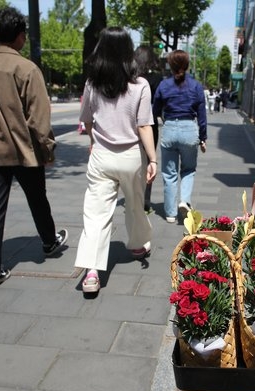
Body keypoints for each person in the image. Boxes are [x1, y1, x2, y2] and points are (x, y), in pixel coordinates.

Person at [0, 7, 68, 289]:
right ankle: (49, 242)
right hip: (23, 150)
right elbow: (39, 118)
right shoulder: (26, 68)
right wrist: (47, 150)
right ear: (18, 35)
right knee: (37, 199)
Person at [75, 27, 157, 293]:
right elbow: (144, 125)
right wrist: (153, 158)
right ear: (128, 52)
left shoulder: (91, 83)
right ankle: (136, 244)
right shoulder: (140, 85)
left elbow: (86, 120)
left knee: (96, 214)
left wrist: (92, 141)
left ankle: (91, 273)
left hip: (100, 156)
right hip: (132, 156)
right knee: (134, 205)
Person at [153, 50, 207, 224]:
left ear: (170, 65)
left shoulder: (163, 85)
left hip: (169, 128)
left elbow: (154, 110)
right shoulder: (196, 86)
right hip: (189, 129)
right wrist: (203, 137)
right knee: (189, 169)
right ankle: (184, 200)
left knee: (169, 174)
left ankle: (169, 213)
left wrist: (163, 118)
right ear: (187, 65)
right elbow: (202, 115)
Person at [134, 45, 163, 214]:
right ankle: (146, 198)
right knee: (149, 162)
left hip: (131, 124)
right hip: (150, 124)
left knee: (135, 160)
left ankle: (134, 196)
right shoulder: (157, 78)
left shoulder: (131, 77)